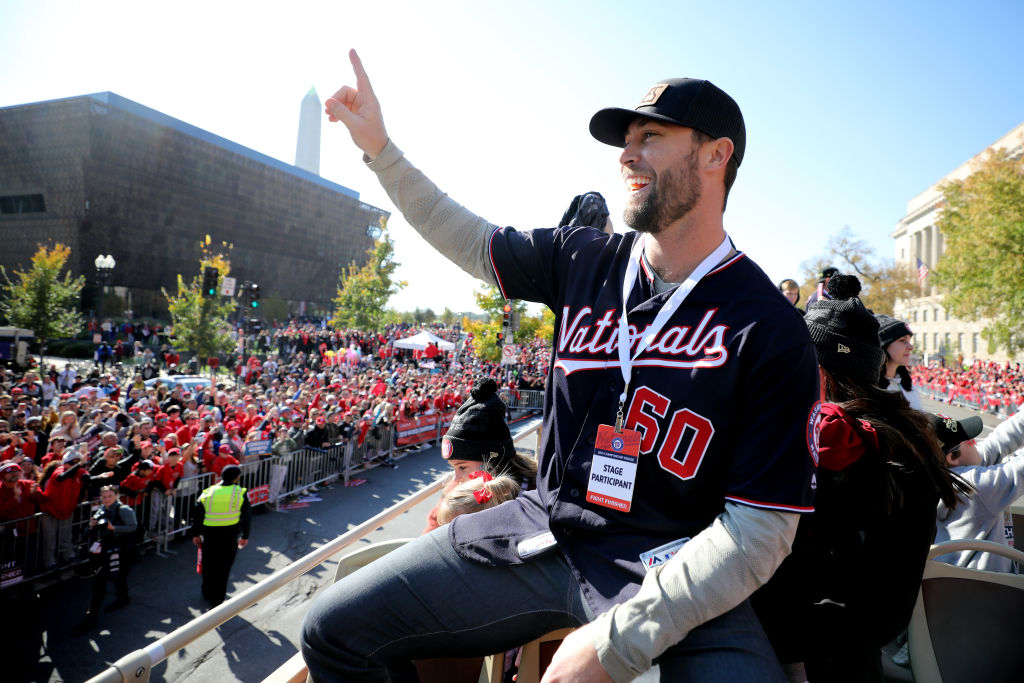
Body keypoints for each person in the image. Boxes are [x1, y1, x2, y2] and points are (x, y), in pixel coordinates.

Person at [301, 52, 819, 682]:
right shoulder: (583, 257)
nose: (627, 154)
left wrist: (618, 642)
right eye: (626, 141)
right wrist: (381, 150)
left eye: (650, 136)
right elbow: (472, 239)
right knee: (331, 628)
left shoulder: (771, 326)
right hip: (544, 526)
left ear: (716, 154)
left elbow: (761, 530)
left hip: (674, 561)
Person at [751, 274, 968, 682]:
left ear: (818, 370)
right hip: (854, 654)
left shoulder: (828, 441)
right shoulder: (907, 438)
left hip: (798, 656)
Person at [933, 410, 1024, 572]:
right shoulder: (974, 487)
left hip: (958, 582)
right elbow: (1019, 469)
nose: (975, 443)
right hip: (995, 584)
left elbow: (998, 442)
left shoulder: (941, 477)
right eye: (969, 440)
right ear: (953, 457)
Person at [72, 485, 138, 634]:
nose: (107, 499)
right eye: (104, 497)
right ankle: (97, 613)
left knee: (113, 578)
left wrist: (114, 528)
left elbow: (133, 526)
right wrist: (91, 526)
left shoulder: (124, 510)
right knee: (103, 581)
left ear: (116, 496)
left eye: (110, 496)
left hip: (120, 551)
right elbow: (90, 530)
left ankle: (97, 614)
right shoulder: (102, 509)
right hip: (105, 552)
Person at [190, 464, 251, 606]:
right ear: (236, 478)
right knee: (224, 567)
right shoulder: (240, 492)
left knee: (208, 564)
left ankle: (206, 591)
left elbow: (197, 514)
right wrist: (245, 536)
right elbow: (247, 516)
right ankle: (217, 599)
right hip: (229, 535)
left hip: (209, 535)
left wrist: (195, 534)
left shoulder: (208, 491)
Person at [875, 314, 922, 409]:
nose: (911, 347)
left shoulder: (908, 386)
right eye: (903, 340)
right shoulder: (871, 388)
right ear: (883, 345)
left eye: (909, 341)